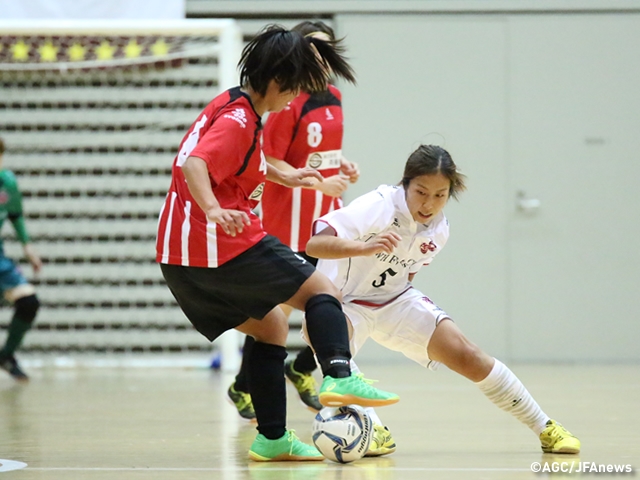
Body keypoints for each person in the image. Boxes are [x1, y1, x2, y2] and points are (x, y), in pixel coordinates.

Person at [156, 25, 399, 462]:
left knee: (270, 325)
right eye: (295, 87)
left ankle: (271, 438)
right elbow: (197, 164)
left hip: (179, 260)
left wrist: (287, 174)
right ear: (278, 81)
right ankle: (339, 375)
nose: (295, 98)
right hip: (221, 245)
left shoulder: (232, 104)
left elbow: (242, 160)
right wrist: (213, 209)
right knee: (323, 292)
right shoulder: (238, 120)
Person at [306, 144, 581, 455]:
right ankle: (375, 429)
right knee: (337, 356)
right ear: (405, 183)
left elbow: (408, 275)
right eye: (422, 192)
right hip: (340, 303)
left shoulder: (439, 230)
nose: (429, 203)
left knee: (467, 354)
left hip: (393, 299)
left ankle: (544, 426)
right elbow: (315, 244)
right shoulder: (378, 206)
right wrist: (363, 249)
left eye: (440, 195)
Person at [227, 20, 359, 417]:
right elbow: (272, 160)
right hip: (288, 220)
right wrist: (321, 184)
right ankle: (243, 385)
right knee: (278, 310)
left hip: (324, 218)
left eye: (326, 49)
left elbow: (317, 154)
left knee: (341, 298)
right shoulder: (290, 102)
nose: (321, 57)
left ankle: (300, 367)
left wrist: (341, 166)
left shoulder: (333, 96)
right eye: (313, 49)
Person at [0, 137, 42, 382]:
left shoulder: (7, 182)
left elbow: (15, 215)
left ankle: (6, 355)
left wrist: (27, 247)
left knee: (28, 302)